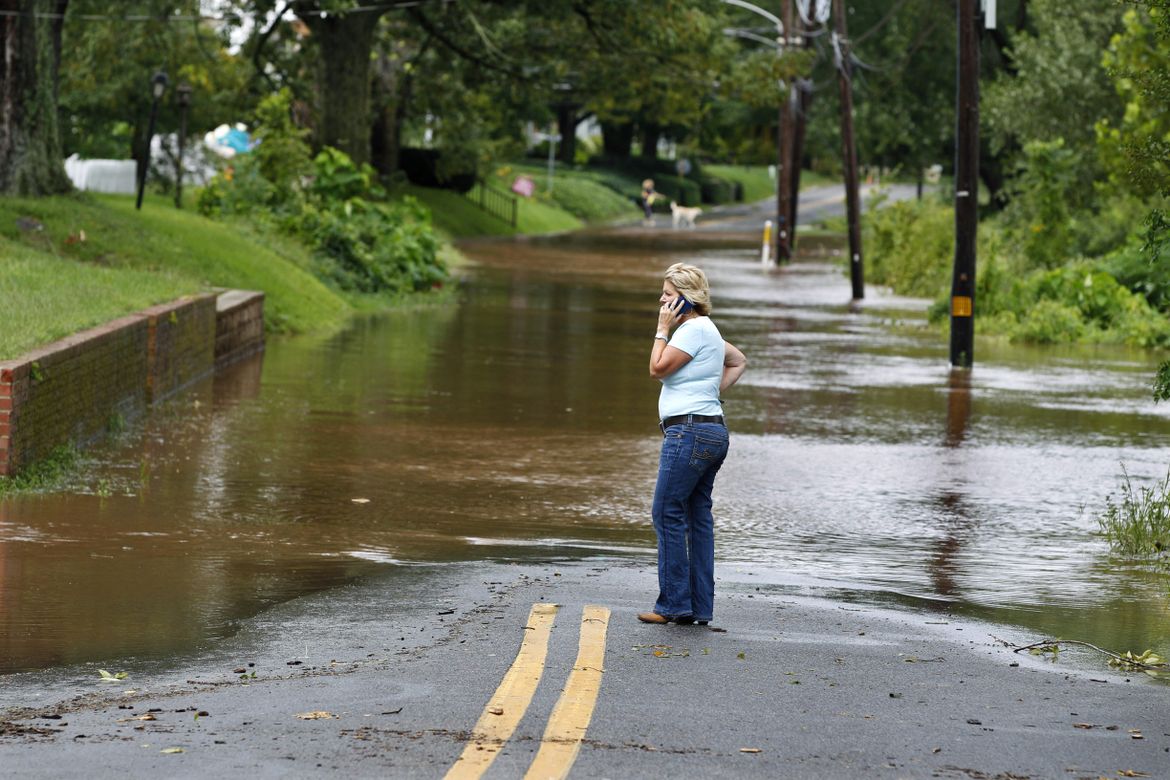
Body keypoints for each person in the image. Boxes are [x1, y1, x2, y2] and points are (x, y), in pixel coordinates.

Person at [640, 263, 747, 626]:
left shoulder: (688, 331)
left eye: (668, 295)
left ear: (687, 299)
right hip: (712, 431)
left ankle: (672, 605)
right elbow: (738, 360)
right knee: (696, 517)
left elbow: (657, 369)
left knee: (666, 511)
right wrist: (708, 392)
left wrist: (661, 330)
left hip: (688, 433)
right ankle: (698, 607)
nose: (662, 300)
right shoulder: (708, 331)